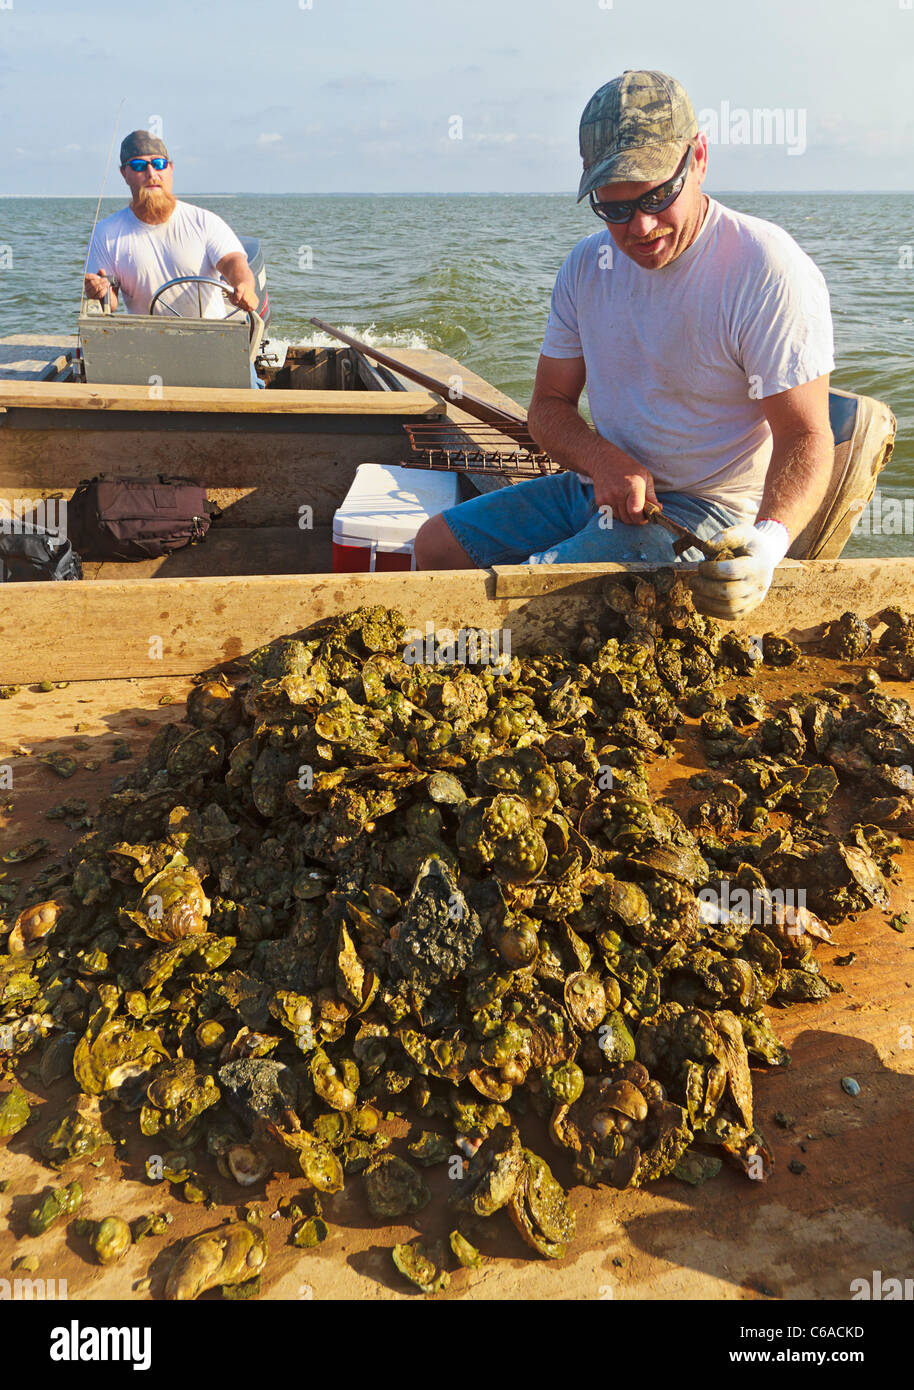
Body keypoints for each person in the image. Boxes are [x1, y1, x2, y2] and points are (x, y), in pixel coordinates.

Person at [413, 70, 836, 619]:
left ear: (699, 158)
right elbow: (548, 407)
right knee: (434, 546)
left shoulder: (766, 268)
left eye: (658, 196)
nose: (640, 226)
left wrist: (768, 542)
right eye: (614, 209)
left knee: (530, 595)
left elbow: (806, 434)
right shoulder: (587, 267)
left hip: (704, 510)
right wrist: (602, 460)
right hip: (595, 486)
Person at [83, 130, 263, 385]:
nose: (151, 174)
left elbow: (234, 262)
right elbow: (108, 303)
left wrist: (244, 286)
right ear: (124, 174)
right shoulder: (106, 232)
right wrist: (98, 291)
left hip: (213, 343)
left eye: (158, 164)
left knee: (249, 395)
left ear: (170, 169)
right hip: (145, 349)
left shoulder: (203, 221)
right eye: (138, 166)